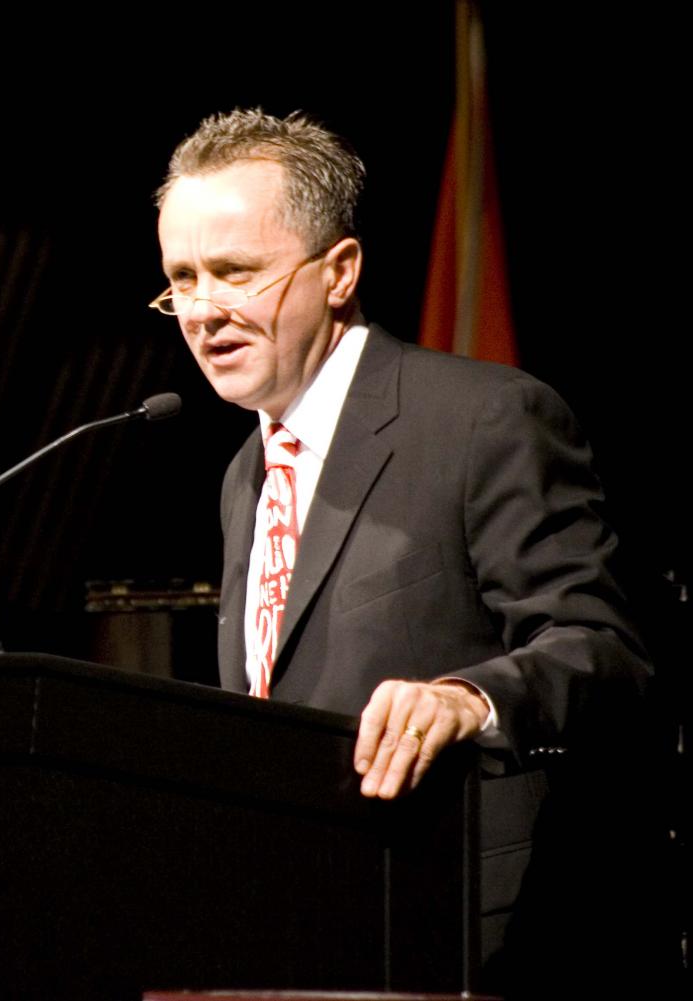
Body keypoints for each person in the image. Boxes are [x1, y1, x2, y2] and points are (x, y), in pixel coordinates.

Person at [152, 110, 670, 994]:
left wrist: (469, 696)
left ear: (340, 271)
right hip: (306, 935)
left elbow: (603, 650)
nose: (203, 312)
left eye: (234, 274)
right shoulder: (246, 472)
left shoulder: (481, 420)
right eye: (181, 281)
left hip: (468, 934)